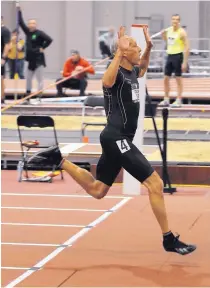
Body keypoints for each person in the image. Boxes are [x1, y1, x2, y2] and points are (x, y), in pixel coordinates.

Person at [27, 26, 196, 255]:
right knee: (155, 184)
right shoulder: (115, 73)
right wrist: (118, 52)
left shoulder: (133, 72)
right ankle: (168, 239)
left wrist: (148, 47)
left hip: (117, 139)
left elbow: (143, 66)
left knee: (98, 190)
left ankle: (59, 159)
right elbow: (106, 82)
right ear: (124, 53)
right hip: (116, 137)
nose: (137, 49)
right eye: (134, 47)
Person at [16, 2, 53, 103]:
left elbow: (50, 39)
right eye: (30, 23)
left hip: (39, 60)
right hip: (30, 60)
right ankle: (27, 97)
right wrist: (18, 10)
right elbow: (20, 22)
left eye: (33, 23)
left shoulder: (39, 33)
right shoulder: (28, 32)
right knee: (28, 79)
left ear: (36, 25)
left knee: (39, 80)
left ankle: (39, 98)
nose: (31, 25)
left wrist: (43, 47)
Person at [159, 14, 190, 108]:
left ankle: (179, 100)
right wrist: (163, 34)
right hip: (170, 55)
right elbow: (167, 41)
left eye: (176, 20)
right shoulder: (169, 30)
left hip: (178, 56)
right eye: (173, 19)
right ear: (171, 20)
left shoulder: (182, 32)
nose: (175, 21)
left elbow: (187, 47)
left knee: (178, 79)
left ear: (179, 21)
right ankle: (166, 99)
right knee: (165, 79)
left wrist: (184, 62)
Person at [1, 16, 11, 104]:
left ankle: (2, 97)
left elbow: (7, 45)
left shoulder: (5, 30)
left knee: (1, 78)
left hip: (1, 57)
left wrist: (3, 58)